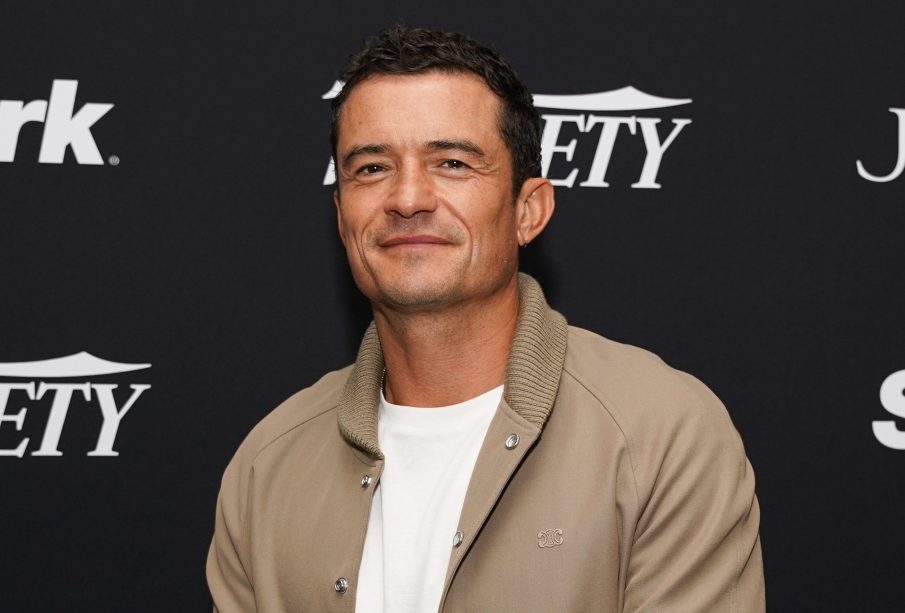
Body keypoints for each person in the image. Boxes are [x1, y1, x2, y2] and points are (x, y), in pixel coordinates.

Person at [207, 25, 765, 612]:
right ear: (341, 215)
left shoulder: (661, 434)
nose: (408, 198)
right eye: (371, 168)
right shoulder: (265, 466)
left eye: (451, 162)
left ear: (529, 211)